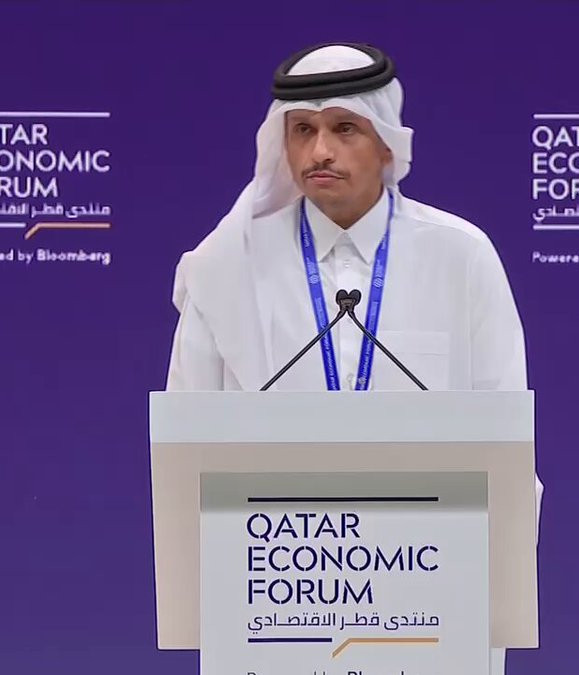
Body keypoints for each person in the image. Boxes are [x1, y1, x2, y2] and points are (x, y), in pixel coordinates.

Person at [165, 42, 542, 674]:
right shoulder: (225, 270)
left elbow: (508, 446)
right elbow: (186, 450)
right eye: (302, 131)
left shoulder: (462, 257)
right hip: (278, 598)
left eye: (345, 129)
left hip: (428, 602)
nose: (320, 151)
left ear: (387, 143)